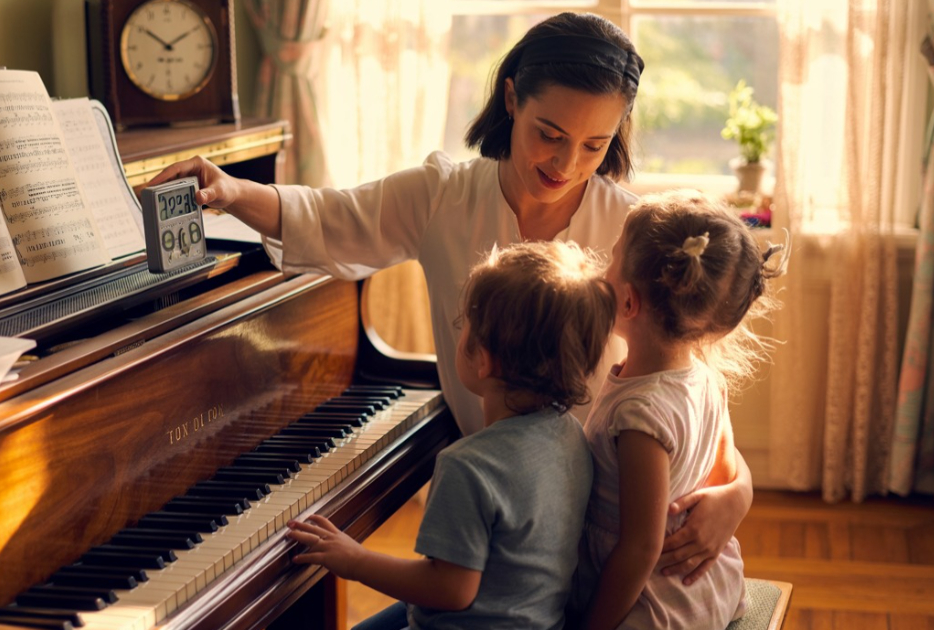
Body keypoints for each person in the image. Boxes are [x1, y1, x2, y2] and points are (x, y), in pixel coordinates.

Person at [146, 11, 750, 582]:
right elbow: (329, 217)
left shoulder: (631, 236)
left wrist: (737, 493)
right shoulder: (443, 195)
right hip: (504, 522)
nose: (567, 163)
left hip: (605, 535)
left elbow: (688, 390)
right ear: (511, 97)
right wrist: (229, 189)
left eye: (595, 146)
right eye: (550, 134)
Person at [287, 241, 615, 629]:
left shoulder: (469, 466)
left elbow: (451, 589)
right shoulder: (571, 435)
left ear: (484, 359)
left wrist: (355, 561)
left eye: (463, 325)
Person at [573, 190, 789, 630]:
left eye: (611, 260)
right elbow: (724, 473)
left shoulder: (640, 417)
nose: (602, 270)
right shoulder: (705, 378)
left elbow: (639, 548)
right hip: (715, 587)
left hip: (657, 606)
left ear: (629, 303)